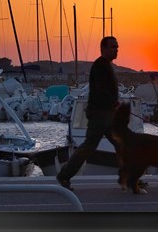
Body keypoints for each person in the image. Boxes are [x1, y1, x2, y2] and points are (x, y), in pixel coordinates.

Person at [56, 36, 145, 190]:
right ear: (103, 48)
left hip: (107, 114)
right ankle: (64, 176)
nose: (116, 49)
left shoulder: (106, 65)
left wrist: (113, 104)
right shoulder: (100, 66)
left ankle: (131, 177)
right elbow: (100, 91)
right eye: (112, 47)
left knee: (121, 144)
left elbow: (104, 91)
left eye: (117, 47)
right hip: (100, 115)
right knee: (90, 146)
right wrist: (113, 103)